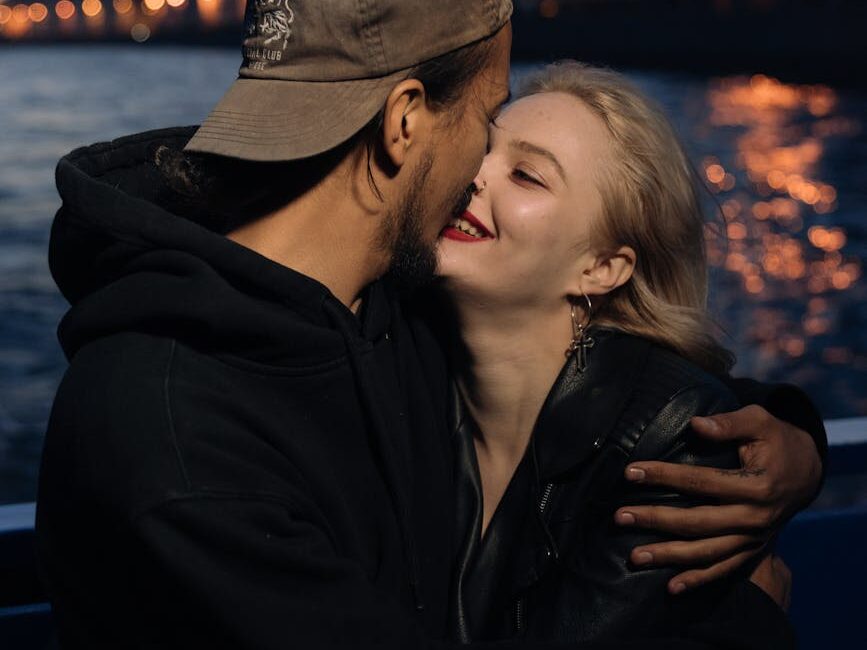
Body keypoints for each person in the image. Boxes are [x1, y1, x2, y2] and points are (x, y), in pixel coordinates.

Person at [36, 1, 824, 649]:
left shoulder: (384, 305)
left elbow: (632, 398)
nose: (480, 164)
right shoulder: (179, 455)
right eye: (488, 119)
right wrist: (740, 624)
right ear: (405, 122)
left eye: (523, 167)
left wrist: (790, 447)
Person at [435, 61, 815, 647]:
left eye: (527, 176)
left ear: (602, 267)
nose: (474, 176)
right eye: (481, 147)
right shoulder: (394, 360)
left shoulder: (666, 447)